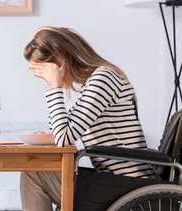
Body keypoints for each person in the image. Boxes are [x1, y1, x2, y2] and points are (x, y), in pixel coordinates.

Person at [20, 26, 156, 211]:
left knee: (33, 175)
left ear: (60, 59)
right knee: (35, 172)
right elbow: (63, 130)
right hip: (116, 182)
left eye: (45, 71)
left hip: (128, 187)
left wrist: (54, 86)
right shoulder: (94, 82)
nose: (44, 78)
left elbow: (63, 138)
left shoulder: (103, 78)